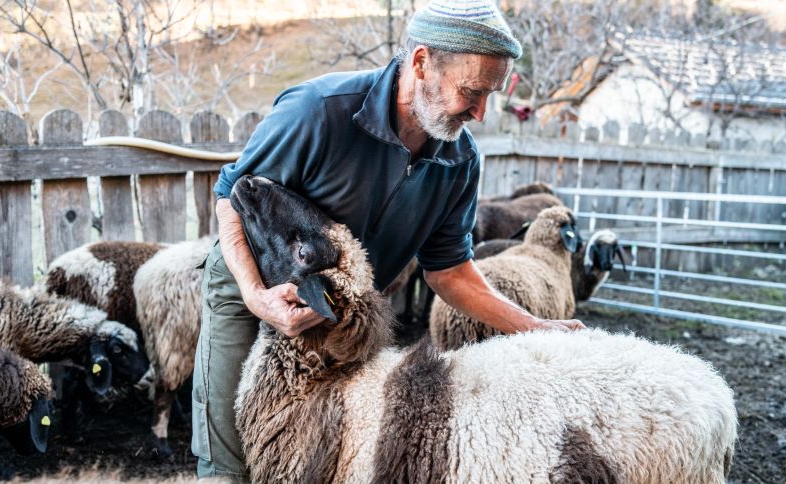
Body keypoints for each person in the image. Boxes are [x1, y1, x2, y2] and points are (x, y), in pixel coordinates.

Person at [191, 0, 585, 480]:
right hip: (248, 283)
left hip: (344, 314)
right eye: (471, 91)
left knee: (328, 456)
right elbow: (232, 197)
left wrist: (536, 328)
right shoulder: (317, 112)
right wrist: (256, 298)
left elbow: (451, 271)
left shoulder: (460, 161)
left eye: (491, 95)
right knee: (228, 458)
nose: (481, 113)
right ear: (421, 62)